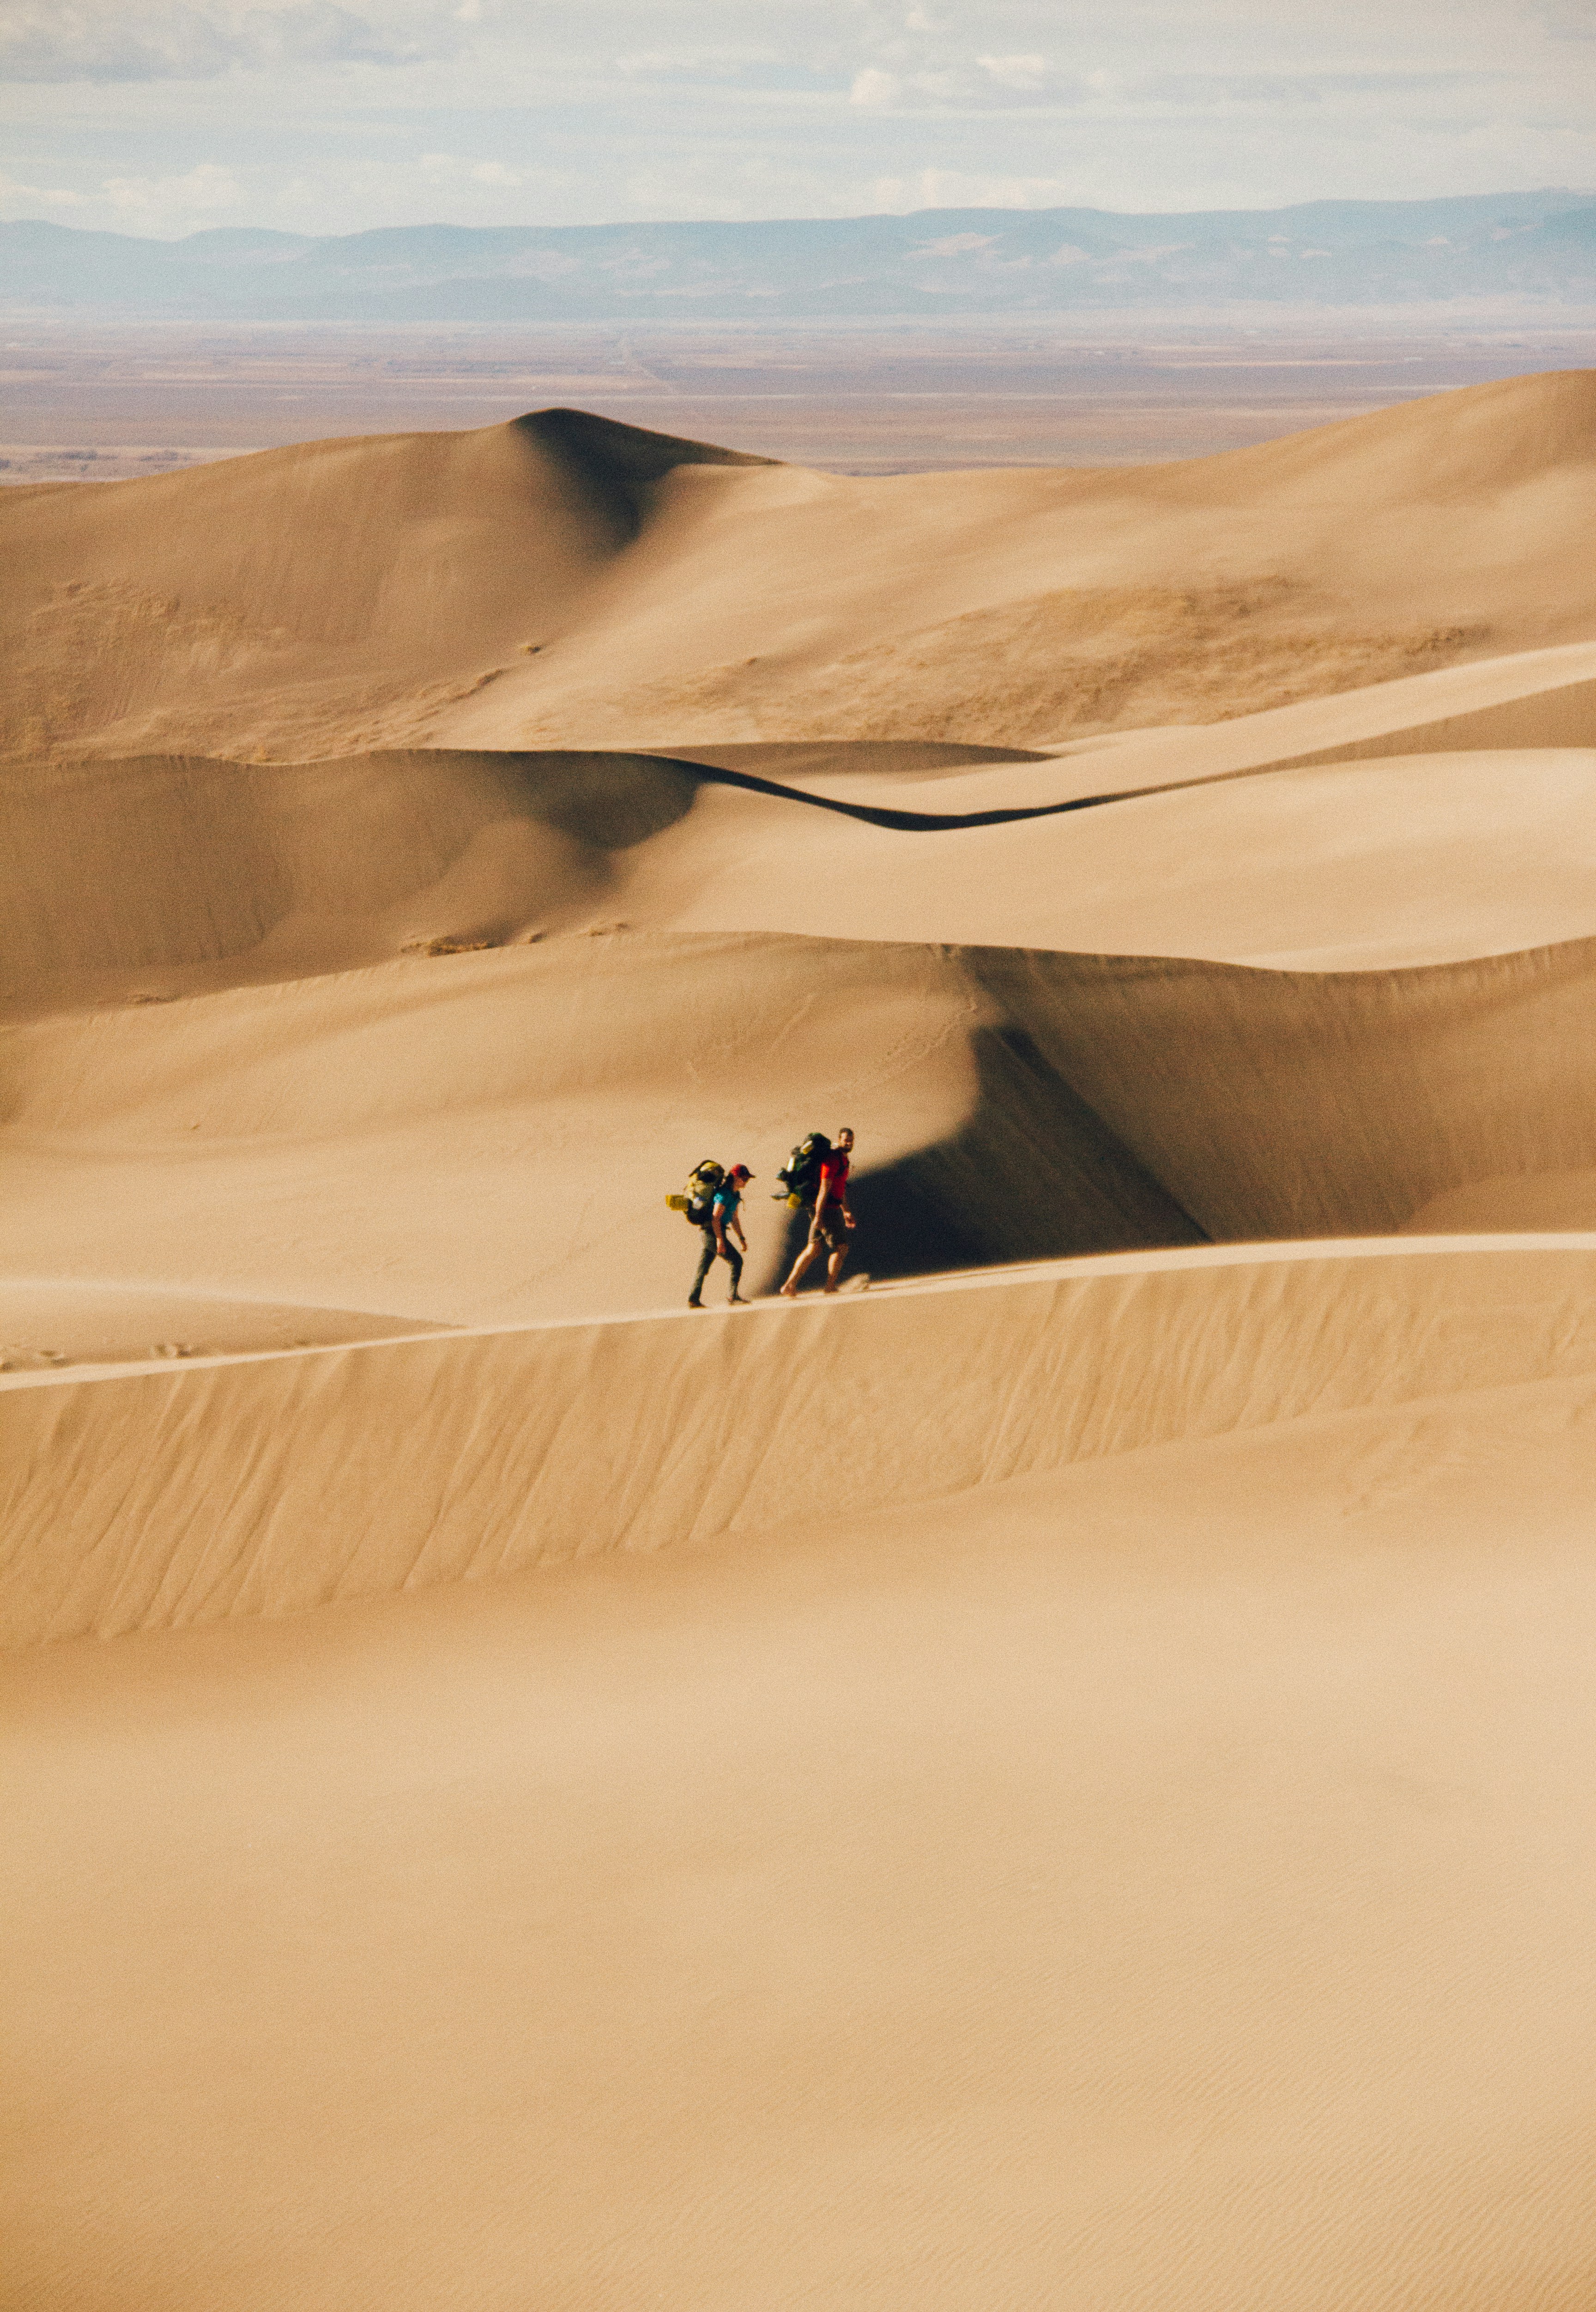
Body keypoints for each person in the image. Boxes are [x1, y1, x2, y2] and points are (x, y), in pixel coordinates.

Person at [780, 1127, 855, 1297]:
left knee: (813, 1249)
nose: (849, 1143)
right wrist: (819, 1216)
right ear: (840, 1140)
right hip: (826, 1210)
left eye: (851, 1140)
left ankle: (789, 1286)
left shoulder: (843, 1160)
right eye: (846, 1140)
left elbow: (840, 1188)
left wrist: (846, 1211)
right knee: (841, 1248)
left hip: (826, 1209)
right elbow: (824, 1189)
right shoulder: (833, 1161)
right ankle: (830, 1286)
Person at [688, 1163, 752, 1308]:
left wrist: (742, 1238)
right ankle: (732, 1296)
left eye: (747, 1179)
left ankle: (693, 1298)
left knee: (703, 1267)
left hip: (714, 1232)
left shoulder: (735, 1195)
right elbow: (716, 1218)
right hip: (711, 1232)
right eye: (744, 1178)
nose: (746, 1182)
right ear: (735, 1178)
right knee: (736, 1261)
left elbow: (734, 1218)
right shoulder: (724, 1194)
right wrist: (719, 1240)